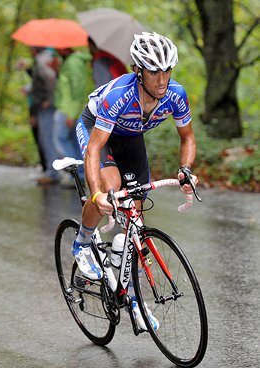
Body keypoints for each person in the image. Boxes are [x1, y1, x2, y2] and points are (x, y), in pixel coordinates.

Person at [73, 32, 198, 330]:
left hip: (130, 138)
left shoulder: (176, 95)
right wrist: (97, 194)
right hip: (97, 130)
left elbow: (188, 137)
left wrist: (185, 169)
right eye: (154, 71)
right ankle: (82, 242)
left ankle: (131, 297)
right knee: (109, 192)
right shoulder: (120, 96)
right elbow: (93, 149)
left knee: (136, 217)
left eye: (167, 70)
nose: (162, 79)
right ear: (138, 71)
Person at [53, 48, 93, 185]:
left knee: (61, 141)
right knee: (74, 142)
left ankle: (77, 174)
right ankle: (79, 176)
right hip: (68, 108)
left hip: (68, 109)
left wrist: (72, 114)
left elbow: (78, 89)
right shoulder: (69, 62)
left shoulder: (73, 62)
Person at [30, 47, 60, 185]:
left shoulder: (43, 59)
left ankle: (53, 172)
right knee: (46, 138)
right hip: (45, 104)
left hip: (46, 105)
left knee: (48, 139)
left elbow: (50, 81)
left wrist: (49, 100)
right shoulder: (43, 58)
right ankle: (52, 170)